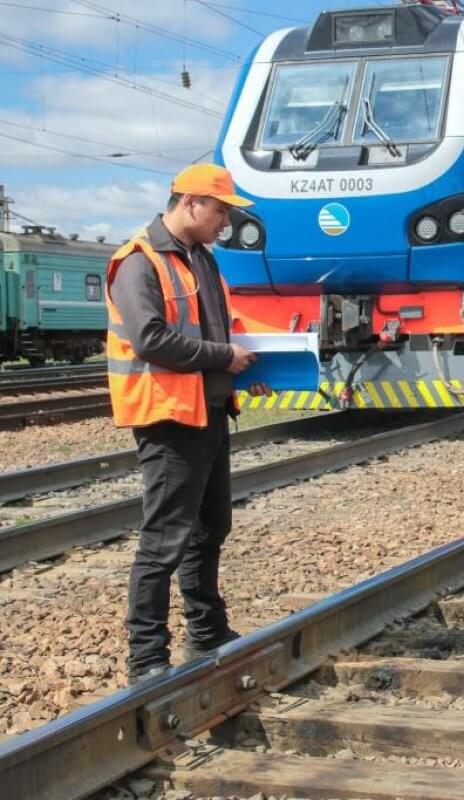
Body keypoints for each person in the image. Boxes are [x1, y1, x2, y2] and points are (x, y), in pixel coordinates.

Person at [106, 163, 269, 685]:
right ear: (191, 202)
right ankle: (146, 655)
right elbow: (151, 339)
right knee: (164, 539)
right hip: (169, 415)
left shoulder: (202, 260)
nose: (226, 221)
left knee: (210, 528)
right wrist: (224, 356)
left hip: (210, 410)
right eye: (221, 209)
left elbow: (221, 332)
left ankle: (208, 630)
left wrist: (251, 369)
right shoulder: (139, 262)